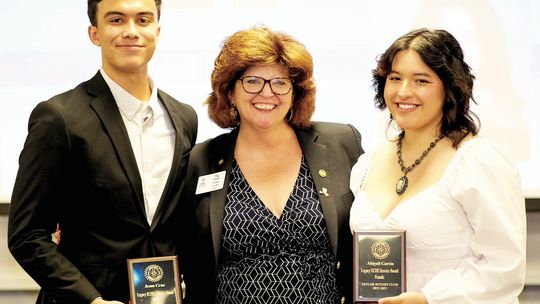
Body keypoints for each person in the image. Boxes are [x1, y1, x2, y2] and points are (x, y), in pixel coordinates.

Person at [8, 0, 197, 303]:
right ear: (94, 33)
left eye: (143, 20)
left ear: (157, 32)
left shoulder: (184, 118)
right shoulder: (59, 117)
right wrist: (92, 301)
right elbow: (26, 236)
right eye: (117, 20)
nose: (132, 31)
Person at [179, 25, 363, 304]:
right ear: (230, 92)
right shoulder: (201, 161)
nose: (267, 93)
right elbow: (184, 252)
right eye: (252, 81)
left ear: (295, 93)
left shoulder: (341, 143)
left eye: (280, 83)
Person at [349, 28, 526, 304]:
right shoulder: (366, 163)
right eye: (395, 78)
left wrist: (430, 298)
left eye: (421, 80)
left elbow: (503, 268)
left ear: (449, 87)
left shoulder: (478, 161)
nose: (403, 92)